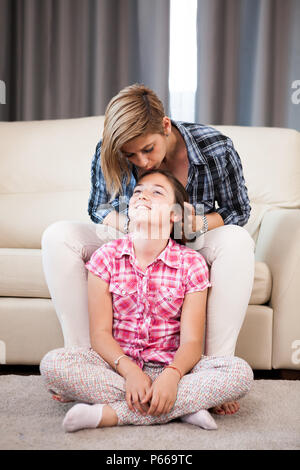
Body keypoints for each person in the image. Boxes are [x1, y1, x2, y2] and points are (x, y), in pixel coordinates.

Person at [41, 83, 255, 415]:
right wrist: (135, 226)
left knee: (238, 241)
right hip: (131, 237)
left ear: (166, 126)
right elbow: (98, 206)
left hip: (193, 238)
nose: (142, 162)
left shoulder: (215, 148)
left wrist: (195, 225)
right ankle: (89, 364)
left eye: (148, 149)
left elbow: (238, 210)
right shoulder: (109, 150)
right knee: (58, 236)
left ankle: (212, 370)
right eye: (131, 155)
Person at [40, 169, 254, 433]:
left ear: (176, 214)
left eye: (156, 192)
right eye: (138, 192)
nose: (142, 196)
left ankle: (110, 413)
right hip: (118, 367)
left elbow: (192, 342)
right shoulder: (105, 257)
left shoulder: (192, 264)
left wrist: (172, 376)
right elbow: (99, 334)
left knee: (239, 373)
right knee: (53, 364)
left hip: (174, 368)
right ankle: (184, 407)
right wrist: (130, 372)